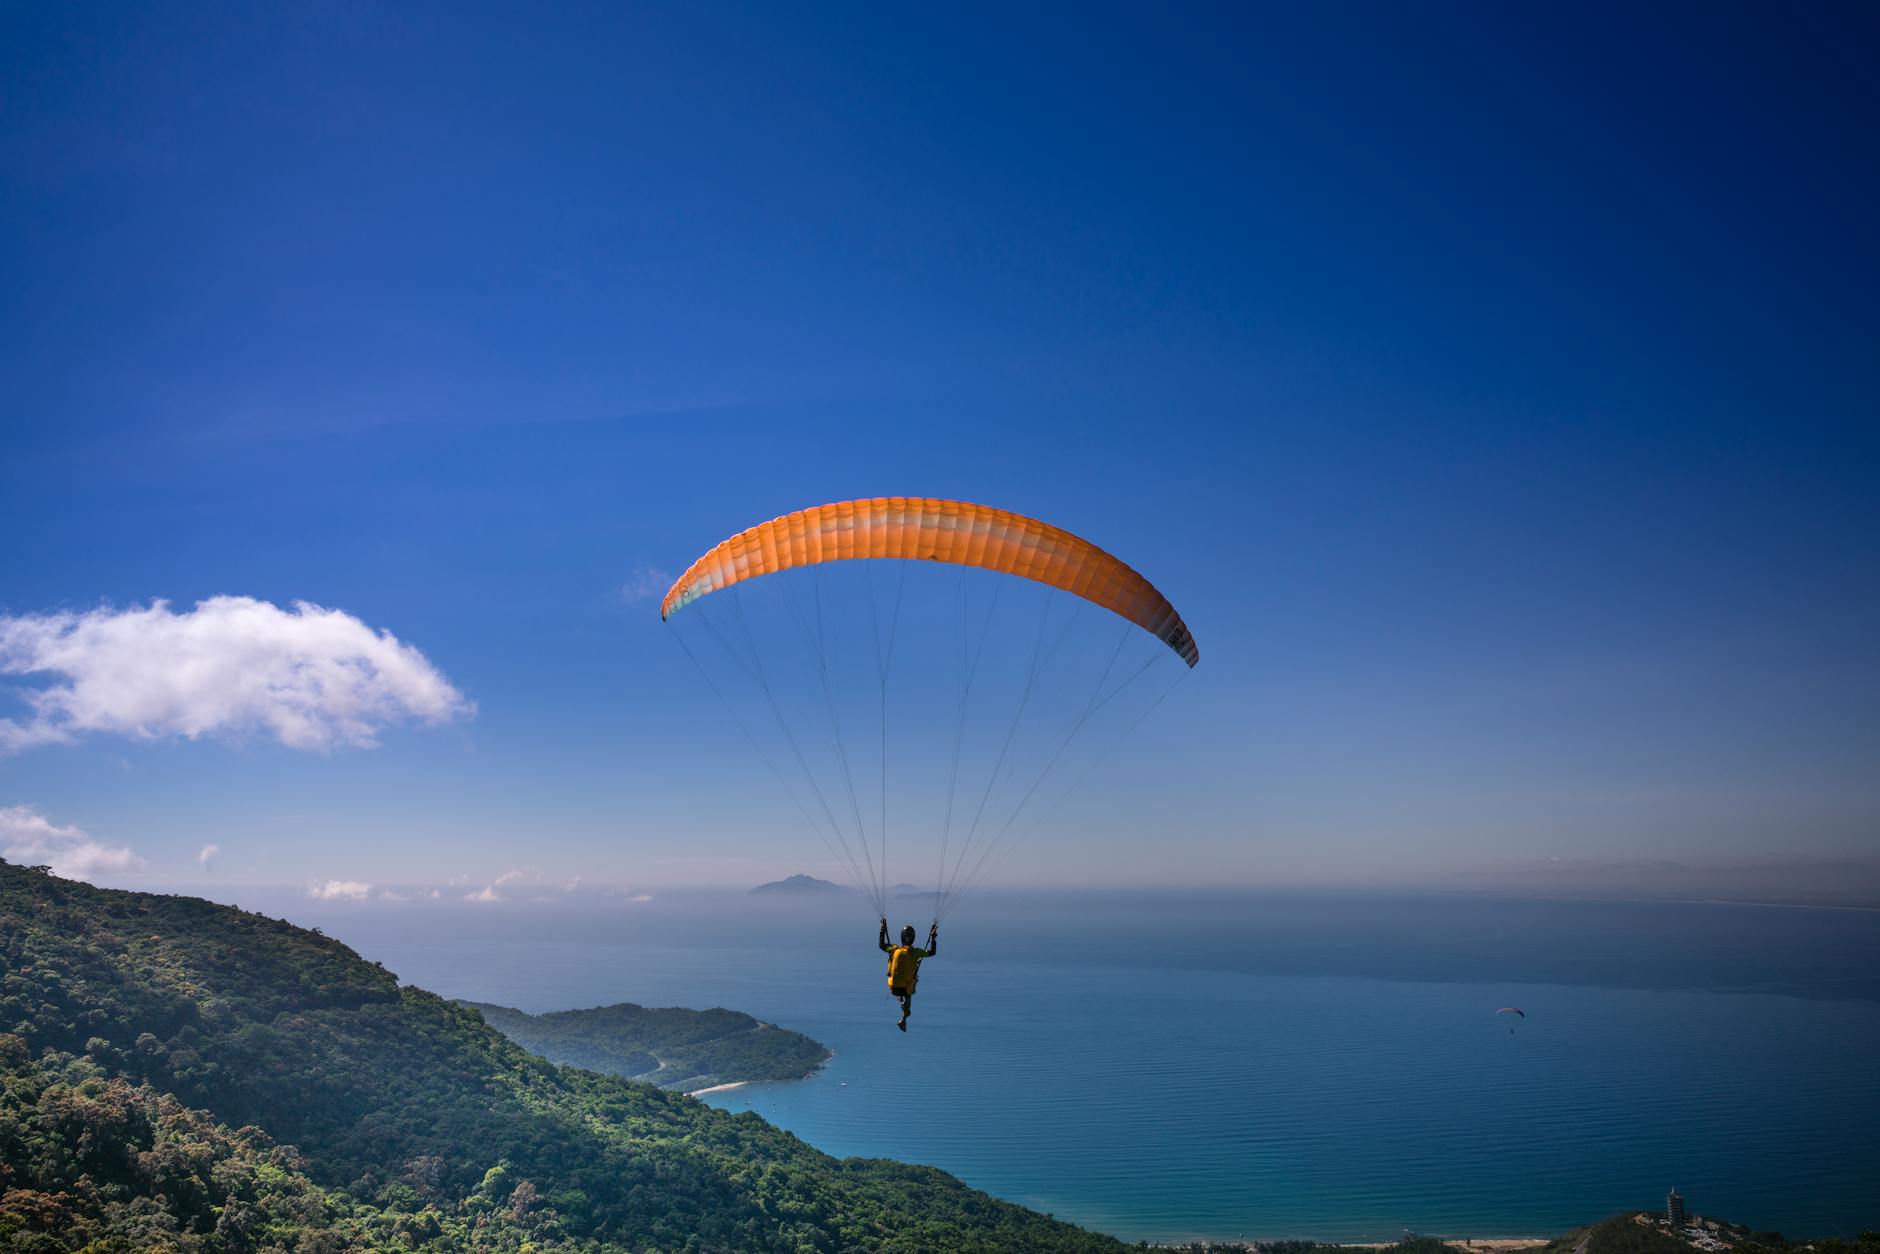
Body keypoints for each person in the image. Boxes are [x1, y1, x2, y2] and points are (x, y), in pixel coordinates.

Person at [878, 918, 938, 1031]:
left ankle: (902, 1005)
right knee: (908, 1009)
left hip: (894, 987)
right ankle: (903, 1019)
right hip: (906, 989)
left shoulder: (894, 949)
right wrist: (933, 937)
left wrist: (882, 930)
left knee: (903, 997)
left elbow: (881, 945)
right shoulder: (916, 953)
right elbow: (932, 952)